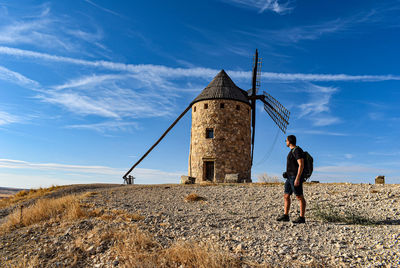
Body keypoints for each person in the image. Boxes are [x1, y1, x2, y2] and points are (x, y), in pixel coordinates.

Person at [277, 135, 307, 224]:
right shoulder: (292, 151)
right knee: (286, 195)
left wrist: (297, 178)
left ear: (289, 141)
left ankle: (302, 217)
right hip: (289, 177)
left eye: (286, 140)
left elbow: (301, 164)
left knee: (299, 196)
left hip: (295, 178)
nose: (285, 142)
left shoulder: (297, 150)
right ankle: (286, 216)